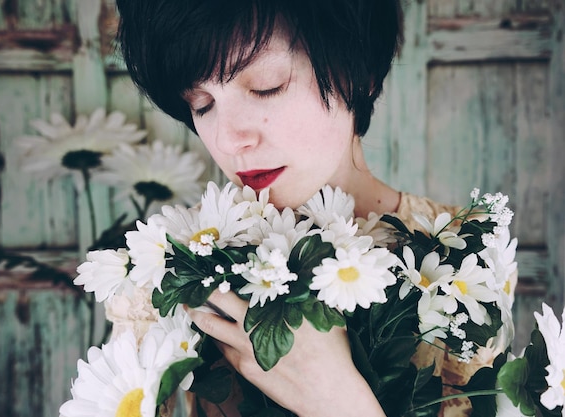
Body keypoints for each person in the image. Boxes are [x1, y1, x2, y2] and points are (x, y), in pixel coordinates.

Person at [114, 1, 494, 416]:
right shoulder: (166, 268)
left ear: (360, 74)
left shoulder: (467, 252)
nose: (227, 140)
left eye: (265, 86)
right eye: (202, 104)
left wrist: (337, 399)